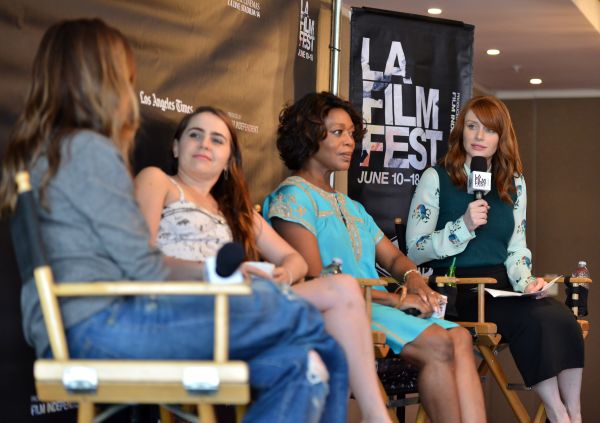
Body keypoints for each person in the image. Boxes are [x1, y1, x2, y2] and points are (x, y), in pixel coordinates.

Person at [0, 19, 349, 423]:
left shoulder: (49, 150)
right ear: (106, 79)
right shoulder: (89, 150)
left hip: (80, 326)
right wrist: (225, 280)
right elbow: (141, 269)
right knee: (304, 322)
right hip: (102, 328)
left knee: (301, 365)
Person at [134, 105, 391, 423]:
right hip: (187, 311)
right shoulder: (159, 181)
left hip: (243, 305)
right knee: (319, 349)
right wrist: (212, 272)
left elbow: (293, 258)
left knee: (342, 292)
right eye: (195, 135)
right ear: (176, 146)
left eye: (217, 140)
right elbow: (141, 260)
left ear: (229, 159)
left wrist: (285, 274)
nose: (204, 145)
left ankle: (375, 414)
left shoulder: (236, 211)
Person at [263, 91, 486, 423]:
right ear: (308, 136)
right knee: (441, 343)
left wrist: (412, 279)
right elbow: (316, 284)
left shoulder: (353, 207)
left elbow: (395, 259)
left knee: (461, 338)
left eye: (352, 134)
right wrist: (397, 300)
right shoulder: (291, 199)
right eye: (338, 132)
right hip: (346, 315)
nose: (350, 142)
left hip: (380, 307)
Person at [406, 95, 584, 423]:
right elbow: (414, 249)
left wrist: (526, 281)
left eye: (488, 130)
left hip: (504, 288)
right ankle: (557, 414)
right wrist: (463, 226)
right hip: (460, 289)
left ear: (501, 138)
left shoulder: (513, 182)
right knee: (534, 322)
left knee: (560, 317)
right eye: (472, 127)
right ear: (461, 131)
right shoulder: (437, 177)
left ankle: (574, 411)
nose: (478, 137)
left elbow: (516, 248)